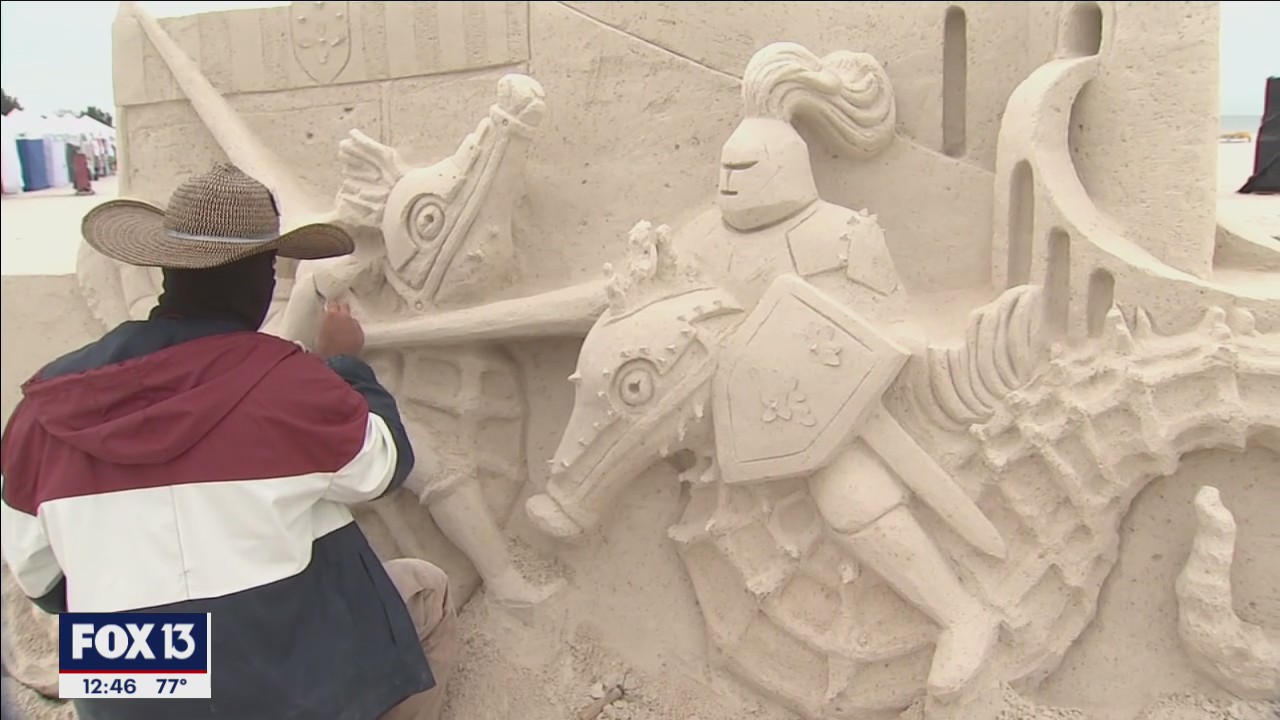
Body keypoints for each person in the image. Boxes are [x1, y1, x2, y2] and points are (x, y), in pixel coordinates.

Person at [0, 163, 458, 720]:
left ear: (167, 269)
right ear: (264, 279)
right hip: (279, 688)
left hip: (129, 691)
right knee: (425, 590)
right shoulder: (289, 383)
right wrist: (347, 365)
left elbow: (42, 584)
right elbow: (383, 467)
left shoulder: (44, 407)